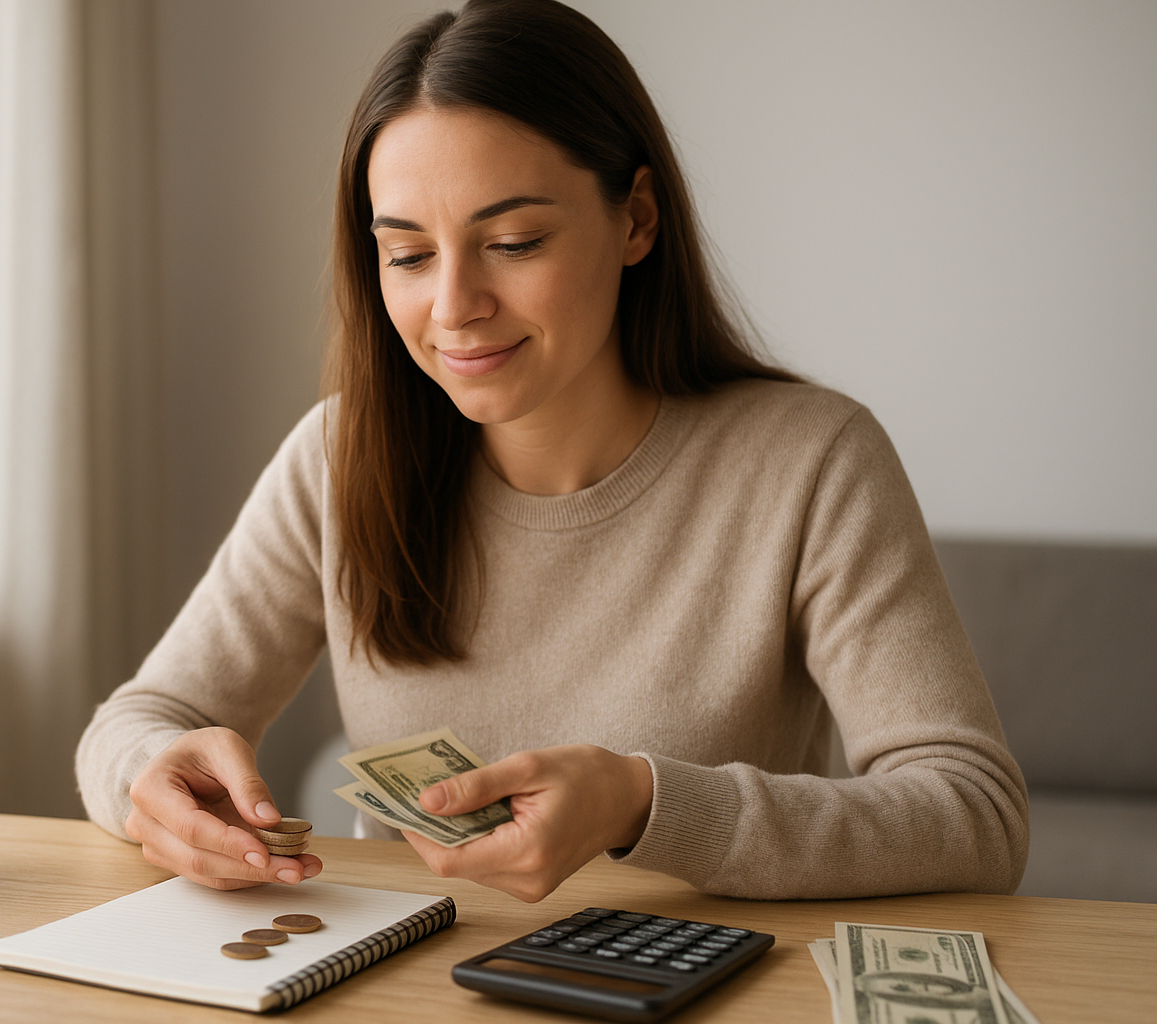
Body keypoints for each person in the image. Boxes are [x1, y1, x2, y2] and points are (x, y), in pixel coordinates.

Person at [76, 0, 1029, 902]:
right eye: (407, 255)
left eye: (516, 240)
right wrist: (149, 781)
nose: (453, 307)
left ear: (637, 220)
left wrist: (644, 802)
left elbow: (975, 815)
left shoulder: (812, 463)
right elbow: (137, 719)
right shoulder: (339, 456)